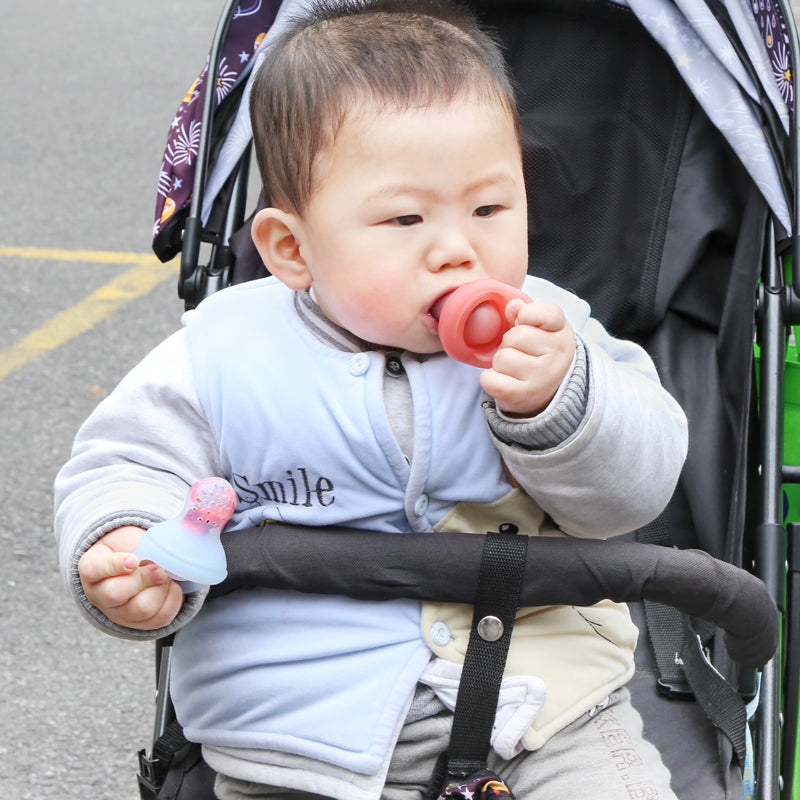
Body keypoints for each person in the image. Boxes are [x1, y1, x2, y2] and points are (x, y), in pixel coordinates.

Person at [54, 1, 688, 798]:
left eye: (490, 208)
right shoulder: (224, 353)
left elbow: (638, 491)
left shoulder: (555, 334)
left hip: (547, 714)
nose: (459, 247)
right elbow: (125, 459)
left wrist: (561, 405)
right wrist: (127, 545)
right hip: (293, 732)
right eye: (405, 218)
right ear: (291, 248)